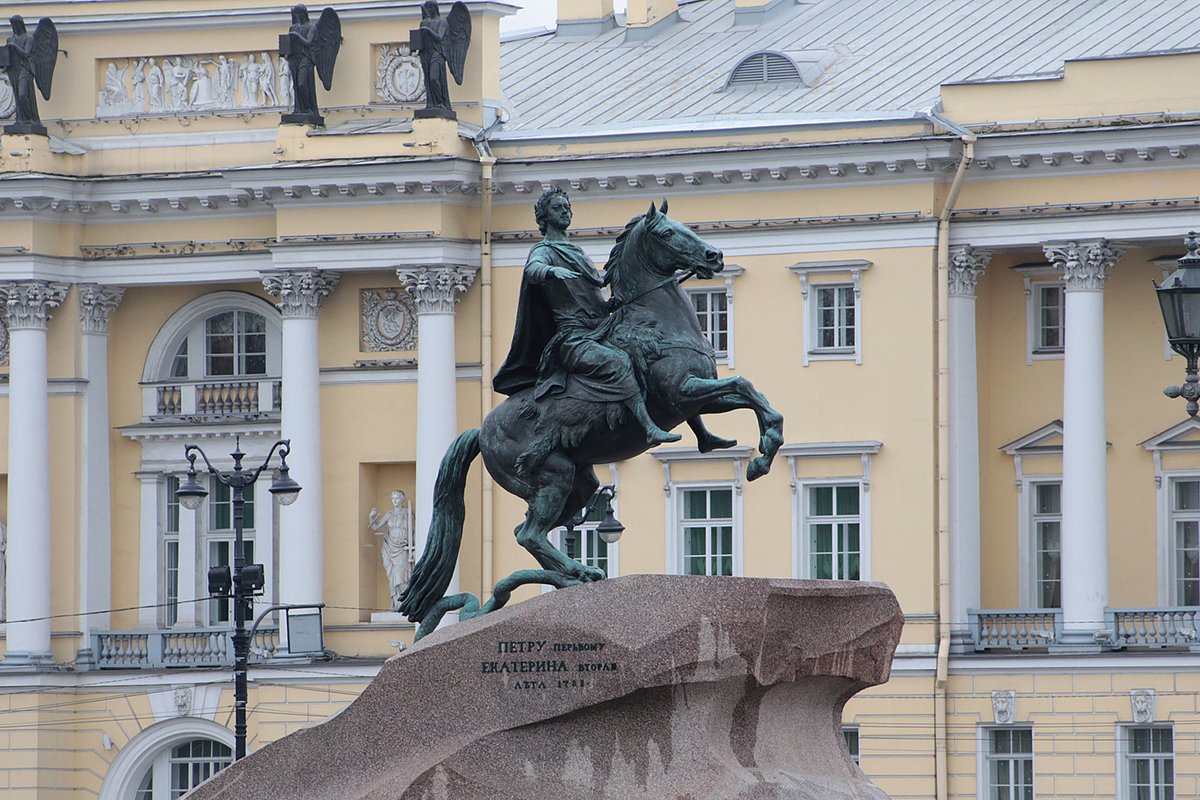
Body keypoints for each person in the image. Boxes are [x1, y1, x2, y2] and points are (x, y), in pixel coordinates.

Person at [494, 188, 681, 448]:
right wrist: (551, 271)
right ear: (544, 217)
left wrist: (611, 304)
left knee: (651, 355)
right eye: (557, 207)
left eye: (566, 206)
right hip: (574, 340)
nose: (565, 210)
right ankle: (649, 428)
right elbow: (533, 269)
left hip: (600, 329)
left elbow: (591, 295)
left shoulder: (577, 251)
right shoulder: (545, 250)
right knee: (619, 362)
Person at [368, 490, 412, 611]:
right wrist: (371, 517)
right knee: (392, 576)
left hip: (402, 547)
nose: (395, 501)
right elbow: (376, 527)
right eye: (393, 498)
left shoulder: (407, 513)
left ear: (402, 499)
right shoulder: (389, 514)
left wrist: (412, 546)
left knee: (401, 574)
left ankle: (405, 602)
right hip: (389, 547)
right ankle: (395, 603)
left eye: (397, 498)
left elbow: (413, 530)